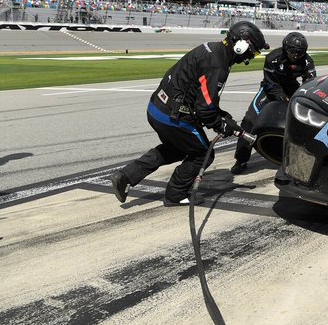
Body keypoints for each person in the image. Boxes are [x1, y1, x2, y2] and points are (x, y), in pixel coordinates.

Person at [110, 21, 269, 206]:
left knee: (178, 148)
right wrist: (223, 125)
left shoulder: (211, 49)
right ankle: (175, 194)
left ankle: (125, 176)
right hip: (173, 115)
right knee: (203, 154)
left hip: (157, 108)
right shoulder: (217, 65)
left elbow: (201, 99)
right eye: (254, 51)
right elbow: (205, 111)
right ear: (241, 45)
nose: (251, 56)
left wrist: (224, 118)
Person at [231, 31, 316, 174]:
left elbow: (309, 84)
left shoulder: (307, 61)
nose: (295, 55)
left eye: (300, 53)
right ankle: (241, 158)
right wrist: (283, 99)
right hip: (270, 88)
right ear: (285, 48)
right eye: (292, 51)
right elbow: (272, 86)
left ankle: (298, 156)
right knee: (249, 120)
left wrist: (299, 99)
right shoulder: (273, 58)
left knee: (303, 120)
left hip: (292, 89)